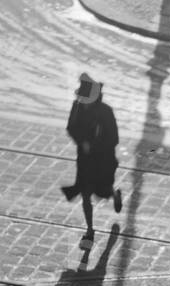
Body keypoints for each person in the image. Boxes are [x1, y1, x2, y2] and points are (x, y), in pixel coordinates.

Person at [62, 73, 122, 250]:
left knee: (102, 191)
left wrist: (95, 144)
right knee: (86, 194)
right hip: (85, 160)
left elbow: (114, 138)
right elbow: (71, 127)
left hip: (103, 159)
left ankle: (114, 194)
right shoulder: (77, 106)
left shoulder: (106, 112)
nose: (82, 101)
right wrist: (83, 141)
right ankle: (89, 230)